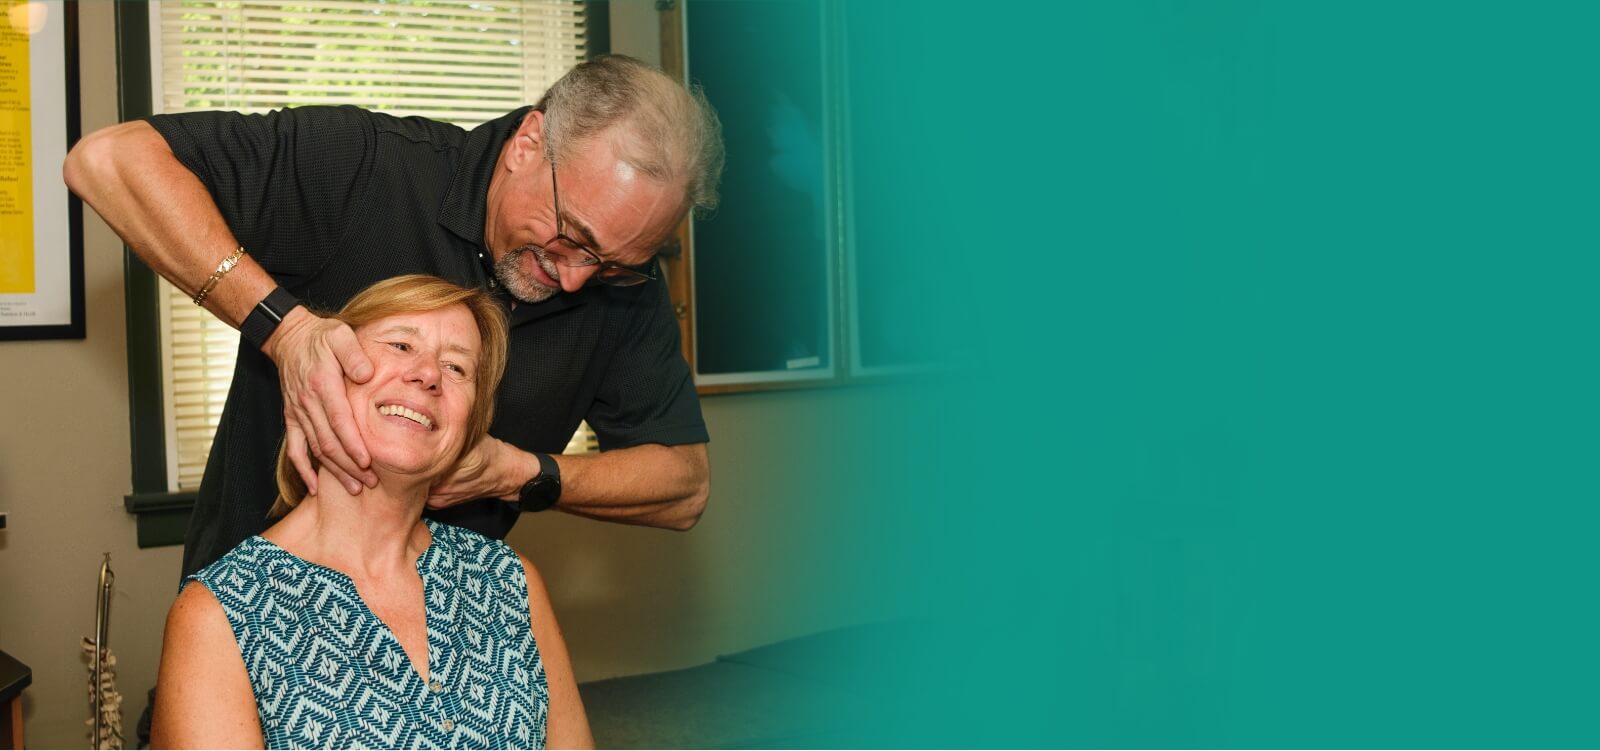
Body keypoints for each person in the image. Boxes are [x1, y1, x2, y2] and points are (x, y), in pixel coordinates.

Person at [64, 55, 725, 578]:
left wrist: (521, 472)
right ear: (529, 141)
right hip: (254, 593)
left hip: (440, 619)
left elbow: (684, 484)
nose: (578, 277)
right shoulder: (367, 167)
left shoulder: (621, 283)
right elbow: (109, 160)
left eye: (612, 263)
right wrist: (286, 331)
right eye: (571, 234)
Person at [152, 275, 592, 749]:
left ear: (471, 425)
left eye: (458, 368)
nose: (428, 374)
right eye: (401, 345)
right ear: (320, 376)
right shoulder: (220, 614)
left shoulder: (510, 583)